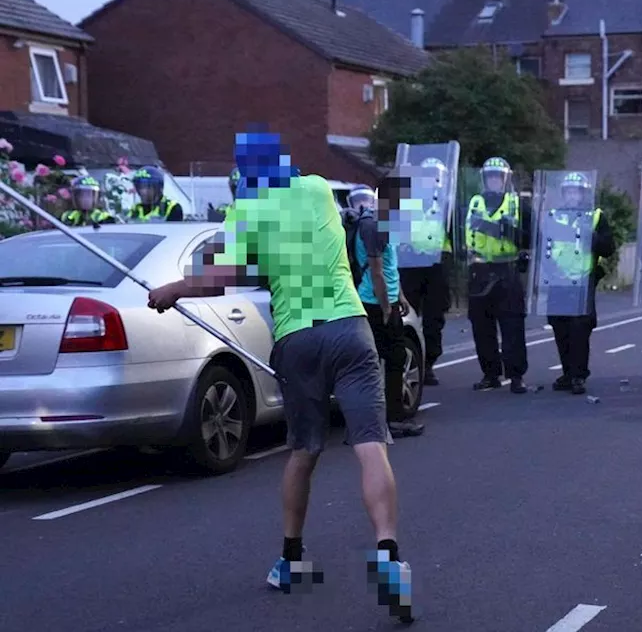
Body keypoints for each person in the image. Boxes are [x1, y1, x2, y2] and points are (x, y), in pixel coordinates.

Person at [144, 131, 413, 622]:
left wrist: (173, 290)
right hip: (350, 328)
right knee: (371, 444)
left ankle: (291, 559)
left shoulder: (246, 213)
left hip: (297, 338)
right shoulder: (316, 190)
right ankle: (388, 553)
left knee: (304, 451)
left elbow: (220, 275)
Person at [344, 184, 423, 439]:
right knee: (391, 360)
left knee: (388, 360)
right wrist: (387, 306)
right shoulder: (373, 226)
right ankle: (392, 420)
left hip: (381, 300)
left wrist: (399, 296)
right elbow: (376, 271)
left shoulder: (377, 225)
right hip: (375, 303)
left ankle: (373, 421)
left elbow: (389, 266)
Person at [538, 171, 616, 394]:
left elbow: (609, 248)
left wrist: (592, 237)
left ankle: (579, 375)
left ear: (584, 194)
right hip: (558, 279)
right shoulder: (553, 216)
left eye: (577, 191)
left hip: (582, 280)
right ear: (564, 193)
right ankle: (567, 372)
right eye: (569, 191)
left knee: (580, 328)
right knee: (560, 326)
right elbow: (544, 247)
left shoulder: (595, 217)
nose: (573, 195)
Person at [466, 157, 531, 394]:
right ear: (484, 179)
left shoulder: (518, 205)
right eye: (490, 176)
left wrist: (508, 230)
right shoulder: (473, 203)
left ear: (505, 179)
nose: (494, 180)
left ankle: (516, 376)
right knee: (482, 327)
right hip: (479, 271)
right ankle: (490, 374)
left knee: (512, 325)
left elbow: (532, 237)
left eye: (498, 177)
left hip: (508, 270)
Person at [396, 157, 453, 388]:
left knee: (433, 319)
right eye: (426, 174)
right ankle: (405, 361)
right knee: (407, 316)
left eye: (434, 175)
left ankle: (428, 365)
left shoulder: (445, 203)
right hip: (410, 264)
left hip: (435, 265)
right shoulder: (407, 201)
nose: (430, 179)